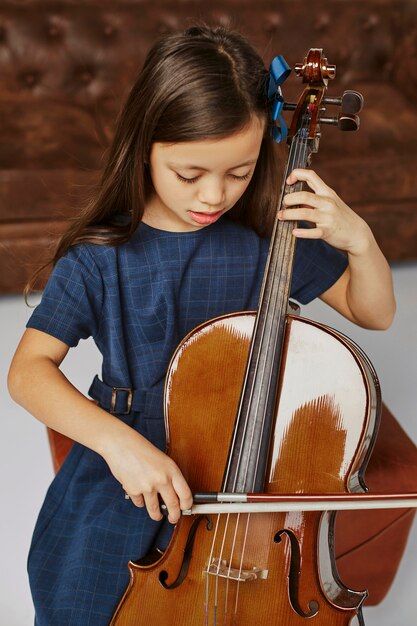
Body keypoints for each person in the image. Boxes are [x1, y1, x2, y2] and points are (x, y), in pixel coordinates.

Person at [8, 24, 395, 626]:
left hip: (250, 463)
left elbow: (375, 312)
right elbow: (28, 372)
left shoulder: (269, 242)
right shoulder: (101, 255)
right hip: (131, 465)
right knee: (82, 598)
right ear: (144, 147)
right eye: (190, 174)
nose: (214, 195)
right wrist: (118, 444)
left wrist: (362, 243)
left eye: (239, 173)